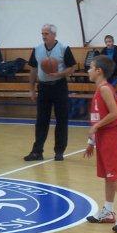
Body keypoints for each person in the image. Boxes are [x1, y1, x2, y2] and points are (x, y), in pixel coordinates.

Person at [84, 55, 117, 232]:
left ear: (99, 71)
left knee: (114, 176)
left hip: (111, 137)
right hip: (102, 137)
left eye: (91, 67)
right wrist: (91, 141)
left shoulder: (105, 89)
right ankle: (108, 211)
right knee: (108, 176)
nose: (88, 70)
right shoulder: (99, 89)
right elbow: (96, 118)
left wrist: (96, 127)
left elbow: (115, 113)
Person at [24, 23, 77, 162]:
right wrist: (31, 89)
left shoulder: (64, 48)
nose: (43, 36)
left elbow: (72, 67)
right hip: (43, 87)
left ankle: (59, 151)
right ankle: (37, 152)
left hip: (59, 86)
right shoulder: (37, 49)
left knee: (61, 120)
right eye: (42, 33)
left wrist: (59, 74)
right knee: (41, 120)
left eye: (46, 33)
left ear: (54, 34)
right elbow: (33, 70)